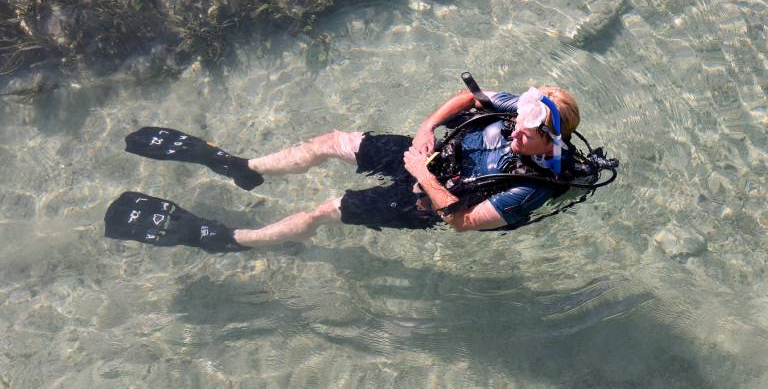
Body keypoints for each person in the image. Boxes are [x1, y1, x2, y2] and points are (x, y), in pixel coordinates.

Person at [105, 76, 615, 253]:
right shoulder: (517, 112)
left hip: (426, 197)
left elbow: (460, 223)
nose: (514, 126)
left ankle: (221, 239)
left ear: (547, 135)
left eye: (525, 128)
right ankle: (245, 167)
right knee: (333, 140)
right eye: (517, 116)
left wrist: (419, 173)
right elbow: (468, 101)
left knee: (321, 213)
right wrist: (425, 128)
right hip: (430, 154)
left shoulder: (530, 187)